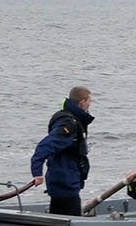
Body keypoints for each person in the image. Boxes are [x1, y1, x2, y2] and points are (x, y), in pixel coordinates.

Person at [30, 86, 94, 217]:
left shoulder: (70, 119)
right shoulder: (69, 124)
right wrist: (37, 173)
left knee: (57, 216)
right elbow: (44, 146)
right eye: (89, 102)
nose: (90, 105)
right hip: (65, 183)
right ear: (82, 102)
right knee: (72, 219)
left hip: (63, 180)